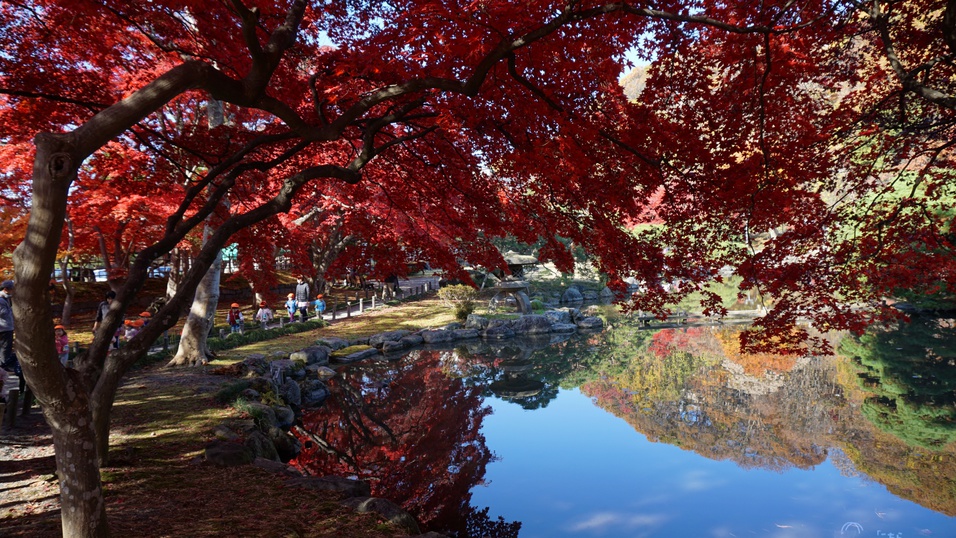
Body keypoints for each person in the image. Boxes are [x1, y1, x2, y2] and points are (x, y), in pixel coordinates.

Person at [0, 280, 15, 374]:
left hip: (7, 326)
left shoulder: (6, 298)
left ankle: (4, 364)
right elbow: (2, 313)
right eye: (12, 289)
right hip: (4, 327)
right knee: (5, 347)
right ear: (6, 289)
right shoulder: (1, 300)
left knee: (6, 347)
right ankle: (4, 366)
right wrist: (13, 309)